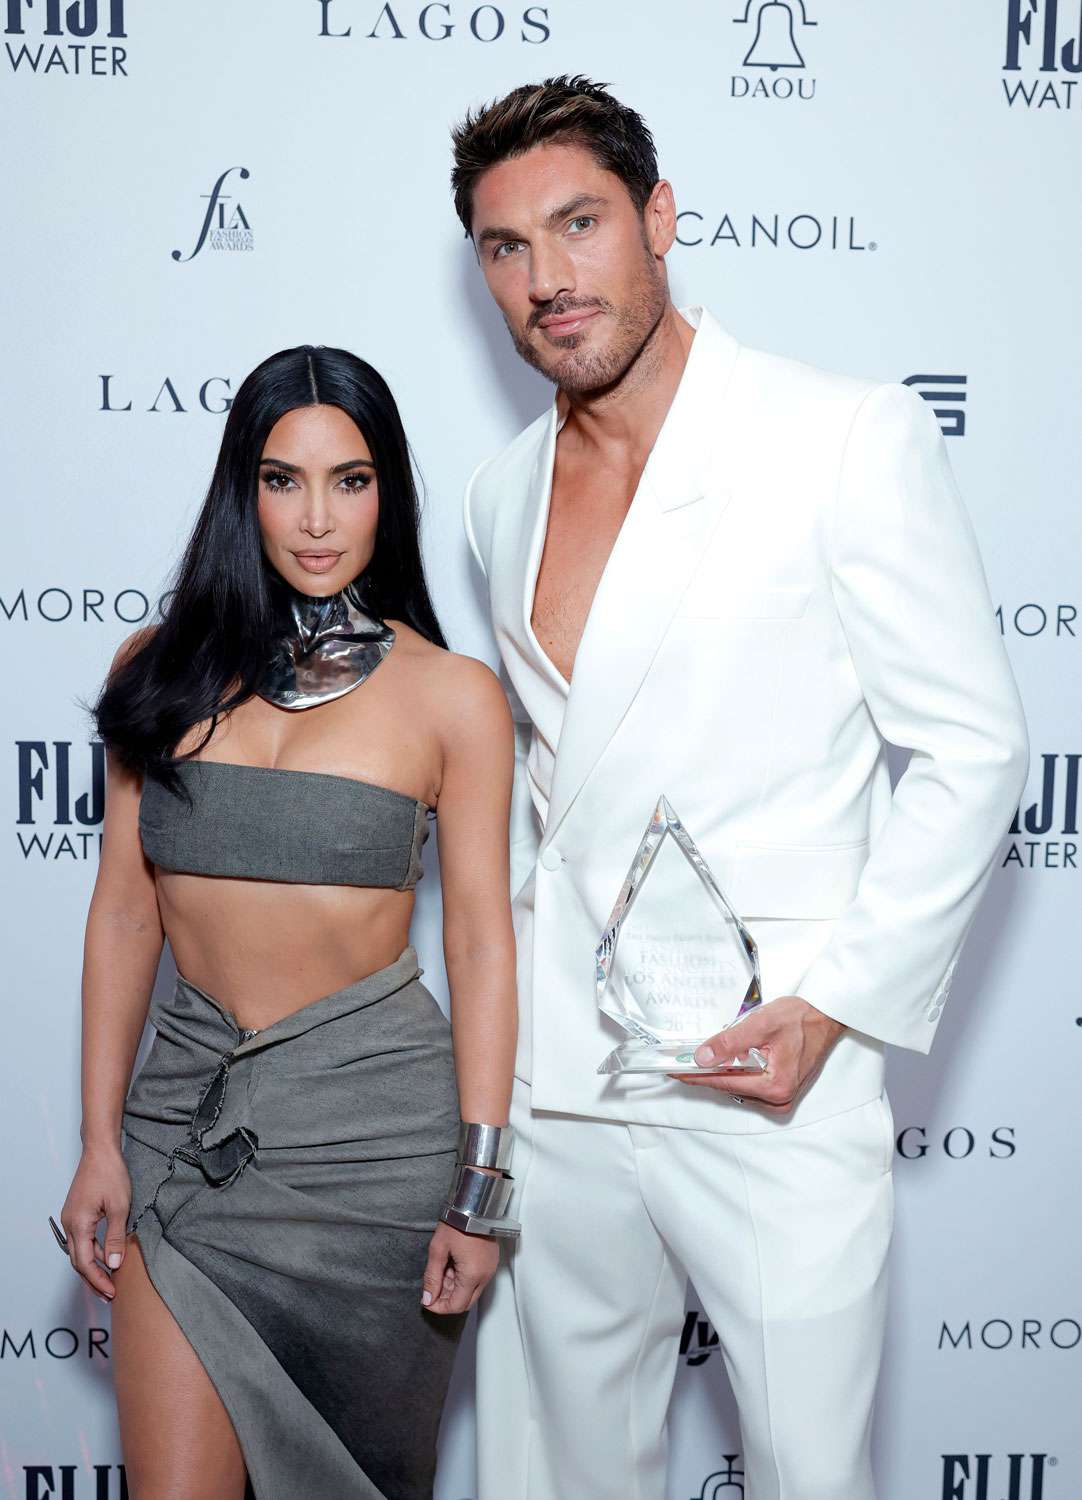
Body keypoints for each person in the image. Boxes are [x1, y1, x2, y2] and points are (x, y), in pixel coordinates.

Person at [451, 76, 1028, 1500]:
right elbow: (551, 786)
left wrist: (835, 1005)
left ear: (657, 218)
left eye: (577, 224)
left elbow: (970, 746)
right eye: (505, 248)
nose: (545, 279)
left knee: (809, 1478)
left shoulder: (834, 436)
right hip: (563, 1093)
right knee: (557, 1475)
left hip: (766, 1080)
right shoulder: (498, 492)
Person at [55, 346, 519, 1500]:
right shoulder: (155, 670)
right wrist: (100, 1140)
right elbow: (123, 916)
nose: (316, 518)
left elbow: (477, 943)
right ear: (241, 490)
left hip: (376, 1155)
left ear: (388, 492)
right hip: (186, 1144)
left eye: (349, 481)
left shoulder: (452, 696)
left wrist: (478, 1185)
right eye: (282, 479)